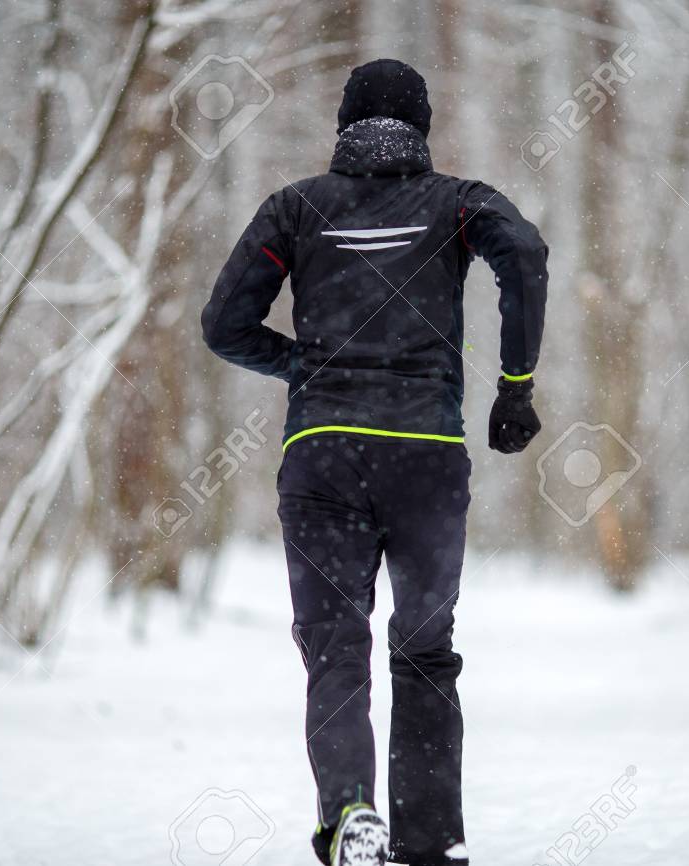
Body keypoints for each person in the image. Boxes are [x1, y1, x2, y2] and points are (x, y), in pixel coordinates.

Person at [202, 58, 548, 866]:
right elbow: (525, 255)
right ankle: (430, 844)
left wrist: (306, 367)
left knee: (335, 646)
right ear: (421, 129)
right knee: (424, 648)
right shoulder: (459, 203)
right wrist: (516, 387)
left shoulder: (296, 208)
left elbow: (224, 324)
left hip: (322, 458)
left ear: (344, 127)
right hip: (426, 457)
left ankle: (351, 813)